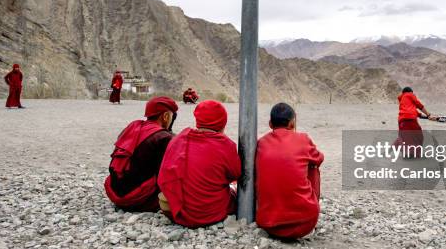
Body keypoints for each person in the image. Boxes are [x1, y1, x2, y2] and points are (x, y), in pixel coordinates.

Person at [158, 100, 240, 228]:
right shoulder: (226, 145)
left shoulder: (179, 138)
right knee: (235, 190)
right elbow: (235, 174)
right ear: (222, 123)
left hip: (178, 210)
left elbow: (164, 175)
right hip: (212, 213)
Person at [255, 103, 324, 239]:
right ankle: (308, 205)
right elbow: (319, 158)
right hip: (305, 224)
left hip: (268, 224)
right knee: (312, 166)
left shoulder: (261, 142)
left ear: (270, 123)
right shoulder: (303, 139)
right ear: (292, 123)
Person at [104, 96, 179, 211]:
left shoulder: (133, 126)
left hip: (114, 192)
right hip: (138, 199)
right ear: (165, 116)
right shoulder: (164, 137)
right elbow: (167, 175)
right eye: (171, 116)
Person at [394, 87, 434, 156]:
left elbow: (417, 114)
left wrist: (428, 117)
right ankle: (414, 153)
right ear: (410, 92)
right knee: (418, 136)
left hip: (401, 121)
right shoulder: (409, 94)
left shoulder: (404, 102)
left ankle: (389, 151)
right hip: (410, 120)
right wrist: (428, 114)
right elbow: (419, 105)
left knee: (402, 137)